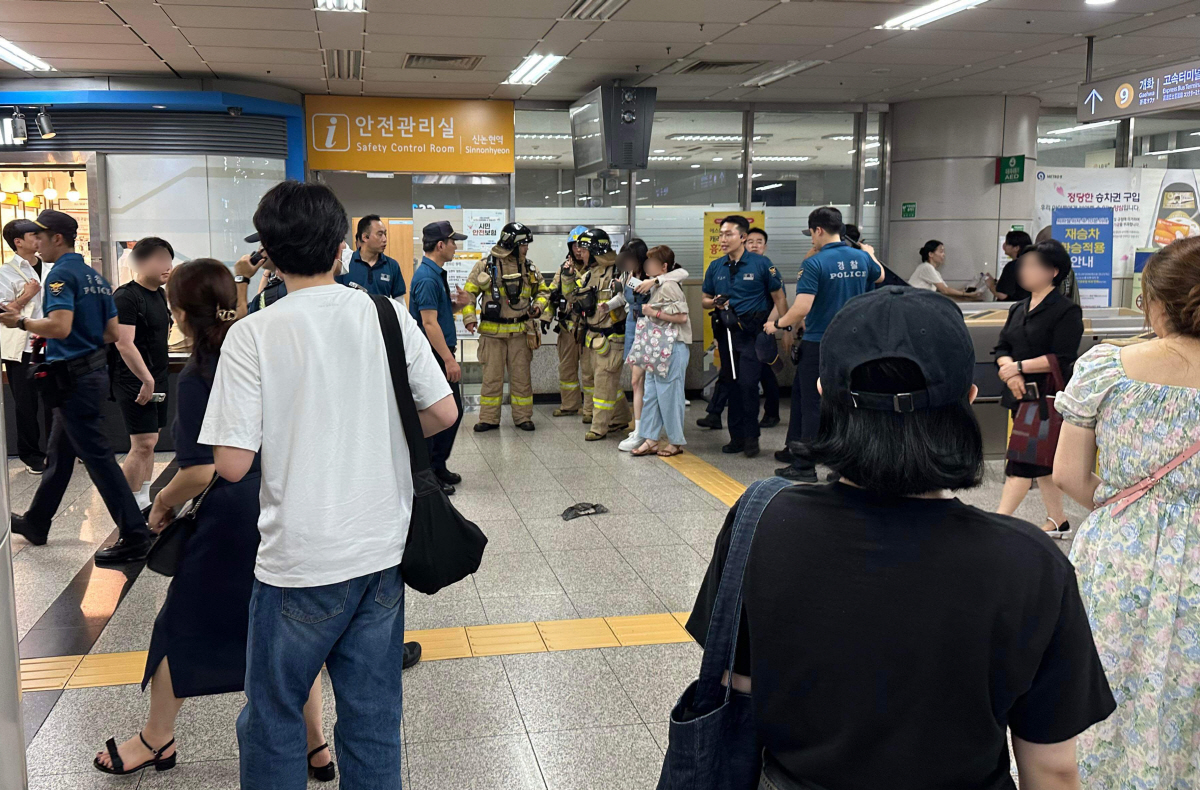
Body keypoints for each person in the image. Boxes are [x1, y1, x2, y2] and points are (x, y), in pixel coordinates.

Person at [686, 286, 1115, 790]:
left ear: (822, 392)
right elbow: (1052, 769)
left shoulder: (762, 521)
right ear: (969, 398)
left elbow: (737, 688)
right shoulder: (1029, 561)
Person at [199, 181, 457, 790]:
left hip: (300, 560)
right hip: (382, 551)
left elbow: (231, 463)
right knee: (373, 716)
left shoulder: (252, 333)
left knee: (274, 718)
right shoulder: (387, 314)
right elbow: (443, 412)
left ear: (268, 253)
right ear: (341, 245)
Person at [91, 258, 335, 782]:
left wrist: (162, 502)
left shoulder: (202, 371)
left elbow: (203, 469)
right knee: (289, 629)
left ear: (179, 313)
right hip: (284, 501)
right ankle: (315, 743)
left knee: (178, 623)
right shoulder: (264, 349)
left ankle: (155, 739)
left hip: (231, 518)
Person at [1051, 237, 1200, 788]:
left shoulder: (1106, 367)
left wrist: (1132, 511)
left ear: (1155, 302)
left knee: (1109, 676)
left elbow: (1067, 475)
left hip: (1120, 554)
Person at [2, 210, 153, 562]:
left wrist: (21, 321)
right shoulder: (94, 276)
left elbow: (59, 326)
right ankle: (37, 522)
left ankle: (135, 535)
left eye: (40, 237)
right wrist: (83, 342)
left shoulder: (60, 275)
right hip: (91, 374)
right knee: (60, 453)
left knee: (99, 458)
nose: (36, 245)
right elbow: (111, 333)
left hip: (72, 380)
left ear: (57, 238)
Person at [766, 207, 884, 482]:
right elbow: (879, 276)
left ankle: (804, 467)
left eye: (811, 233)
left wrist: (779, 324)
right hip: (855, 344)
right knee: (846, 404)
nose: (811, 239)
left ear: (818, 230)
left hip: (821, 343)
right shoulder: (861, 258)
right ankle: (842, 468)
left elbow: (802, 307)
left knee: (812, 403)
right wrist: (869, 253)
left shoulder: (814, 263)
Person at [994, 239, 1084, 535]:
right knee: (1042, 461)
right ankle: (1059, 520)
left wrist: (1019, 367)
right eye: (1024, 264)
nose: (1025, 270)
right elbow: (1002, 347)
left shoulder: (1066, 311)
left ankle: (997, 524)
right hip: (1019, 395)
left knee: (1021, 463)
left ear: (1053, 271)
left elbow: (1062, 356)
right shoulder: (1018, 308)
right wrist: (1010, 373)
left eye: (1034, 265)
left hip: (1045, 401)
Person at [701, 215, 787, 458]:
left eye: (728, 234)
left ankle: (751, 436)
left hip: (752, 334)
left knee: (748, 385)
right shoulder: (716, 266)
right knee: (731, 383)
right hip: (727, 334)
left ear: (742, 237)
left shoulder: (762, 264)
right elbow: (704, 299)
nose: (723, 239)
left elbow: (779, 297)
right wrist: (714, 303)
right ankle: (736, 437)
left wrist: (782, 326)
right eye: (721, 234)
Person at [111, 237, 173, 511]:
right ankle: (126, 508)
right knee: (142, 443)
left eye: (168, 259)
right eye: (159, 259)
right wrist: (146, 379)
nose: (167, 265)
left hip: (157, 376)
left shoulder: (159, 294)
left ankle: (142, 499)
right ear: (139, 262)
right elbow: (124, 343)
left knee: (151, 441)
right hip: (134, 379)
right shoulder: (126, 297)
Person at [462, 222, 542, 432]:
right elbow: (469, 293)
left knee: (522, 379)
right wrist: (469, 317)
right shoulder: (485, 266)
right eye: (523, 244)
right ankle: (488, 418)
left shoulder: (529, 268)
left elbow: (543, 292)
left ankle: (523, 417)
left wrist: (539, 307)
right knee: (491, 379)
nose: (526, 248)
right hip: (492, 334)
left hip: (520, 333)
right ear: (512, 245)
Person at [411, 220, 471, 494]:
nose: (455, 247)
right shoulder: (426, 277)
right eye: (452, 242)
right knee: (442, 414)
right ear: (440, 245)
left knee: (450, 412)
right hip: (433, 357)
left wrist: (458, 305)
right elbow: (429, 323)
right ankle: (430, 471)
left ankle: (437, 466)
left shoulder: (435, 274)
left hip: (438, 354)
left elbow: (437, 313)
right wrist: (448, 360)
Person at [568, 228, 632, 440]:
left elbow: (629, 299)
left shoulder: (619, 272)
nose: (580, 253)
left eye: (584, 250)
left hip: (612, 338)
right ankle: (621, 417)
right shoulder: (589, 274)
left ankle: (599, 428)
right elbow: (574, 297)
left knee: (604, 383)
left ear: (596, 251)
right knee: (603, 381)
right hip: (593, 337)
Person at [629, 246, 690, 458]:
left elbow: (682, 317)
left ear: (664, 267)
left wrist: (652, 312)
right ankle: (650, 438)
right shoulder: (656, 285)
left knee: (670, 396)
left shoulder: (670, 285)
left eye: (652, 263)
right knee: (652, 394)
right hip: (657, 348)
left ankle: (675, 441)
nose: (648, 266)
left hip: (672, 347)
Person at [0, 218, 50, 474]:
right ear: (18, 242)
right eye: (34, 235)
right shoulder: (5, 272)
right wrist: (27, 295)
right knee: (26, 404)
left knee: (55, 400)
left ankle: (59, 450)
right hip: (23, 346)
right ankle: (31, 455)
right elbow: (4, 312)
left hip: (53, 343)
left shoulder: (51, 265)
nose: (40, 239)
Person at [543, 225, 589, 417]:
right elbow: (552, 293)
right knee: (567, 368)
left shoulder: (596, 268)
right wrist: (546, 317)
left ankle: (591, 410)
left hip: (589, 329)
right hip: (567, 328)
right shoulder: (564, 268)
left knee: (590, 371)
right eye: (574, 245)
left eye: (582, 245)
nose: (578, 249)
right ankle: (569, 405)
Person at [744, 227, 781, 428]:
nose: (754, 245)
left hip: (763, 327)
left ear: (765, 246)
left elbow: (779, 300)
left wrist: (771, 324)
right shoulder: (740, 268)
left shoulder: (768, 268)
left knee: (766, 372)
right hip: (744, 329)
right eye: (750, 242)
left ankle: (772, 413)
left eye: (759, 242)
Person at [337, 214, 407, 300]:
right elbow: (337, 297)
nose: (385, 239)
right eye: (380, 234)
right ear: (365, 237)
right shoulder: (345, 264)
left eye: (385, 234)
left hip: (382, 309)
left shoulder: (392, 265)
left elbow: (399, 301)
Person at [909, 240, 981, 299]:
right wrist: (967, 295)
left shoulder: (935, 272)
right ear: (931, 254)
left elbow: (947, 290)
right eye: (941, 252)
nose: (944, 255)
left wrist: (967, 290)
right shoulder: (926, 267)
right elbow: (945, 290)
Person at [986, 230, 1033, 302]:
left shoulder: (1013, 266)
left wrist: (991, 284)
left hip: (1014, 306)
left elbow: (1002, 295)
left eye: (1007, 243)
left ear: (1016, 248)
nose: (1003, 245)